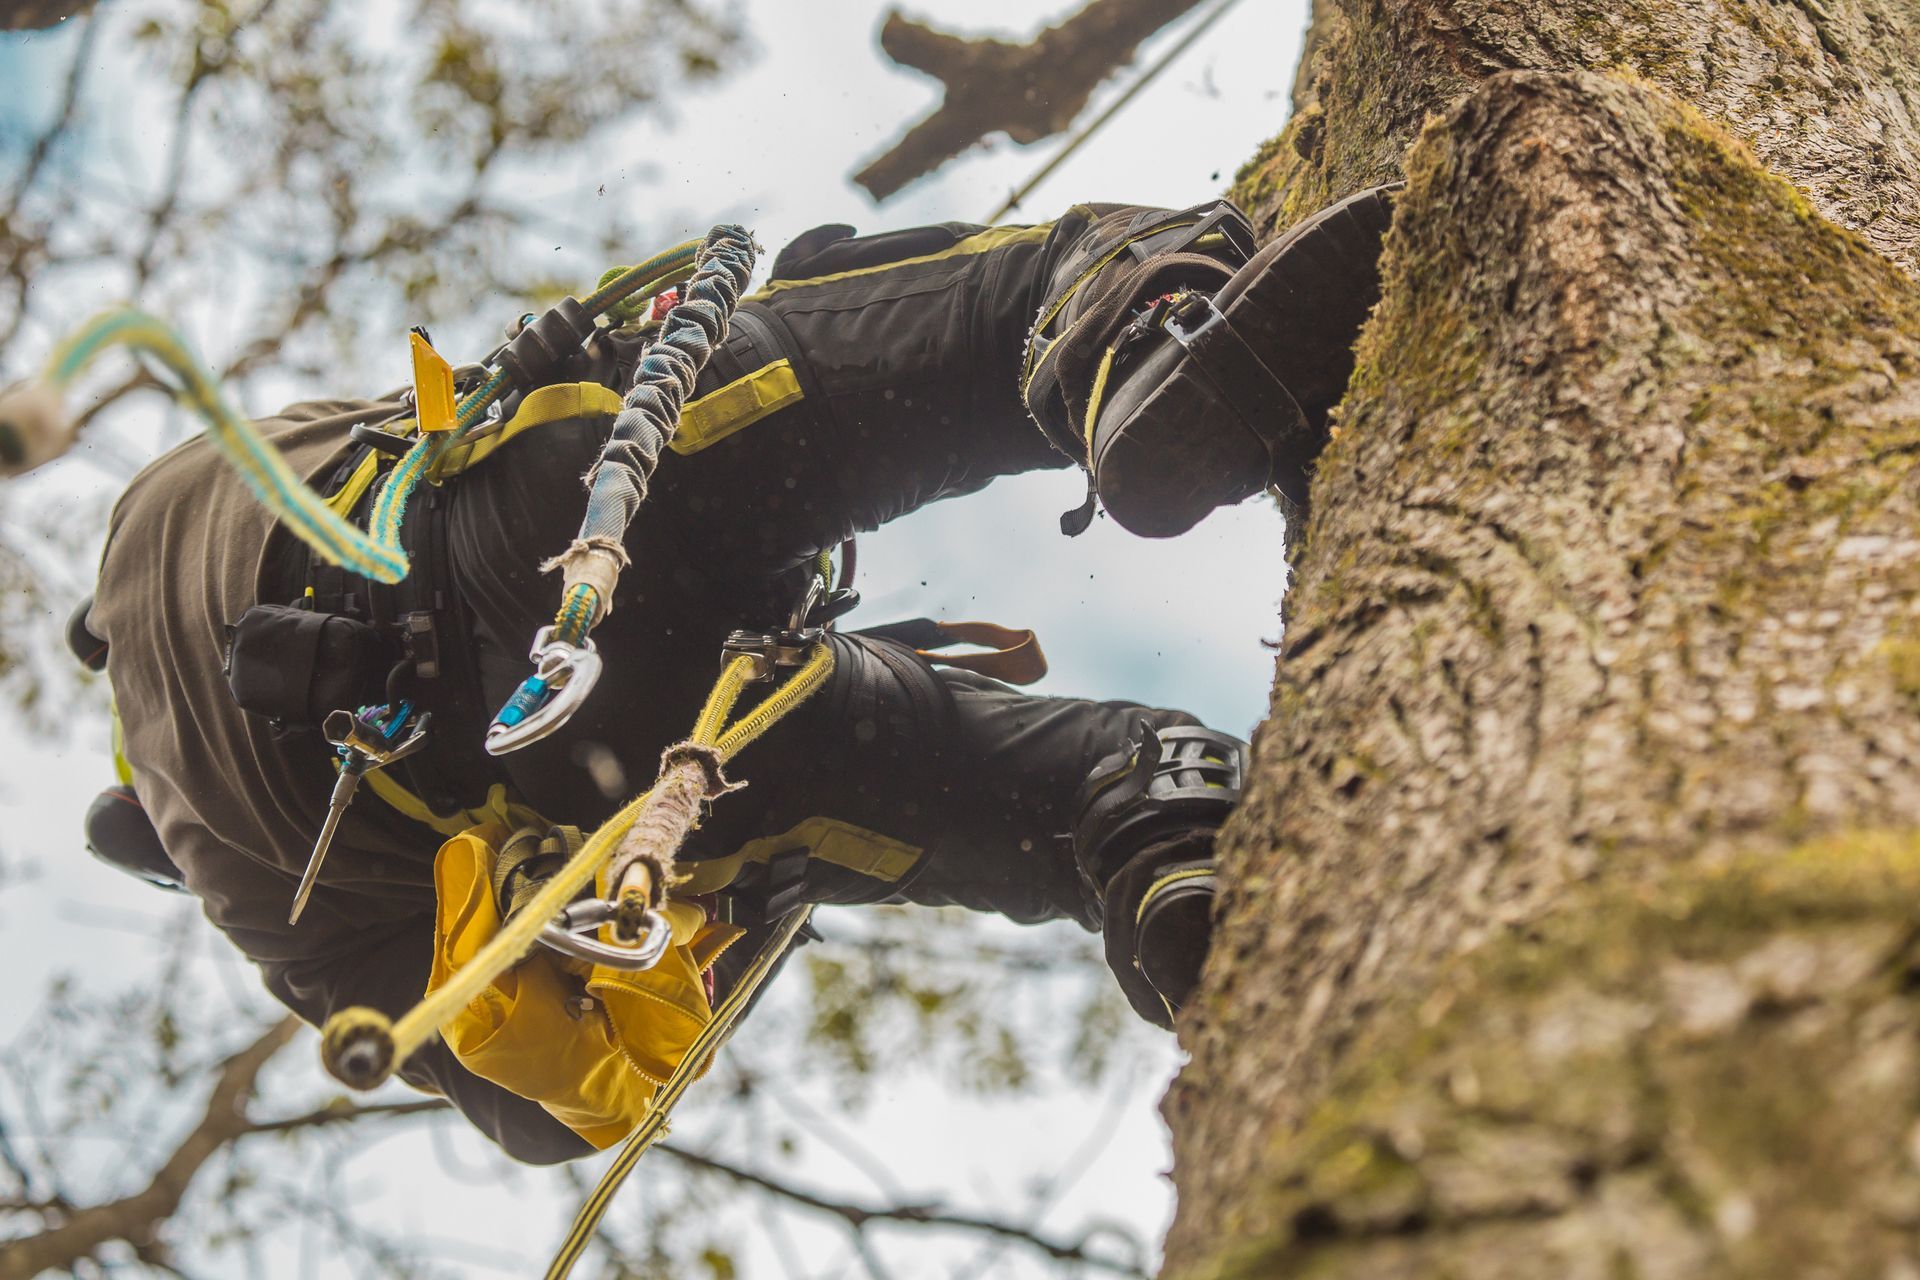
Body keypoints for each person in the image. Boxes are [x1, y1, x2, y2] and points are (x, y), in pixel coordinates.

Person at [77, 186, 1396, 1162]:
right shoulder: (153, 516)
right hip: (553, 527)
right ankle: (1136, 330)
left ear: (151, 832)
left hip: (621, 774)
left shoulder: (264, 910)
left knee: (1002, 780)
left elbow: (537, 1117)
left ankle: (1161, 843)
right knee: (967, 326)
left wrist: (722, 943)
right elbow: (459, 412)